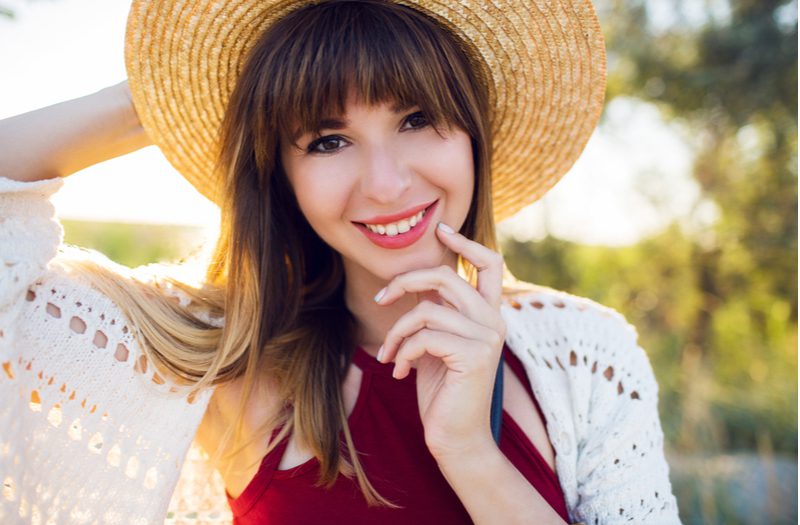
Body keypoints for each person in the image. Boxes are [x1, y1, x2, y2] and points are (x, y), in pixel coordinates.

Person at [0, 0, 682, 523]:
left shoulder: (588, 354)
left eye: (417, 119)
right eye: (328, 140)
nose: (385, 183)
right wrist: (151, 97)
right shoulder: (220, 360)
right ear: (281, 174)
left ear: (473, 134)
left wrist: (470, 451)